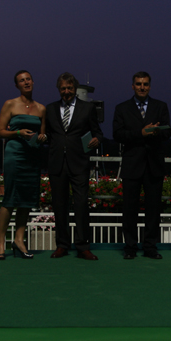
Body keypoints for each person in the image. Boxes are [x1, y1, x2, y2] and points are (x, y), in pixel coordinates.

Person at [113, 71, 171, 259]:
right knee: (129, 209)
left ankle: (150, 247)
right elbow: (117, 134)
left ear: (150, 86)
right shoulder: (122, 108)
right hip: (132, 165)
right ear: (133, 86)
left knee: (153, 210)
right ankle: (130, 247)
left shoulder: (160, 106)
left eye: (145, 84)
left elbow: (168, 132)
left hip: (154, 164)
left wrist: (156, 132)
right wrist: (141, 133)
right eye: (138, 84)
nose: (142, 87)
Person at [46, 72, 103, 260]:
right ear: (58, 89)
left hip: (79, 163)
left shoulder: (87, 108)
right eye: (63, 88)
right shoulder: (50, 109)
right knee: (59, 206)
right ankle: (62, 245)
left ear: (75, 88)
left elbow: (98, 132)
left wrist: (97, 139)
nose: (66, 91)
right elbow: (48, 135)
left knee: (81, 205)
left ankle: (83, 246)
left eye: (69, 88)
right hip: (57, 164)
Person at [0, 70, 47, 260]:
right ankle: (1, 241)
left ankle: (19, 240)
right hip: (15, 154)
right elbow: (0, 132)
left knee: (26, 199)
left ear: (33, 81)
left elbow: (43, 134)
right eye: (22, 80)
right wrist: (18, 133)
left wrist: (42, 137)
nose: (26, 82)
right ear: (17, 85)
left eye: (28, 79)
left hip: (32, 156)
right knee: (10, 198)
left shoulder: (41, 108)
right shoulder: (10, 104)